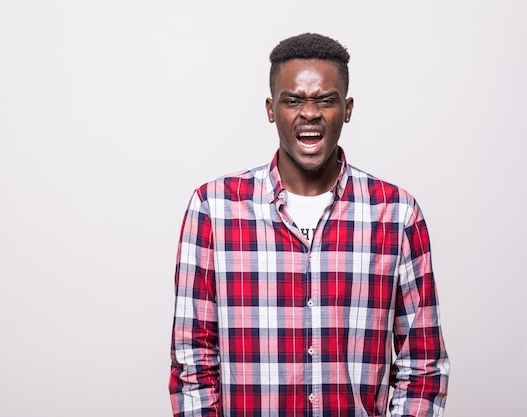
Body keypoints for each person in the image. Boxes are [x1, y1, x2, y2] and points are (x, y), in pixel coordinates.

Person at [169, 33, 449, 416]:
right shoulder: (213, 209)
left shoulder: (396, 214)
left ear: (347, 109)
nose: (310, 113)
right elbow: (192, 361)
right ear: (271, 109)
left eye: (325, 100)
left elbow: (423, 366)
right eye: (293, 100)